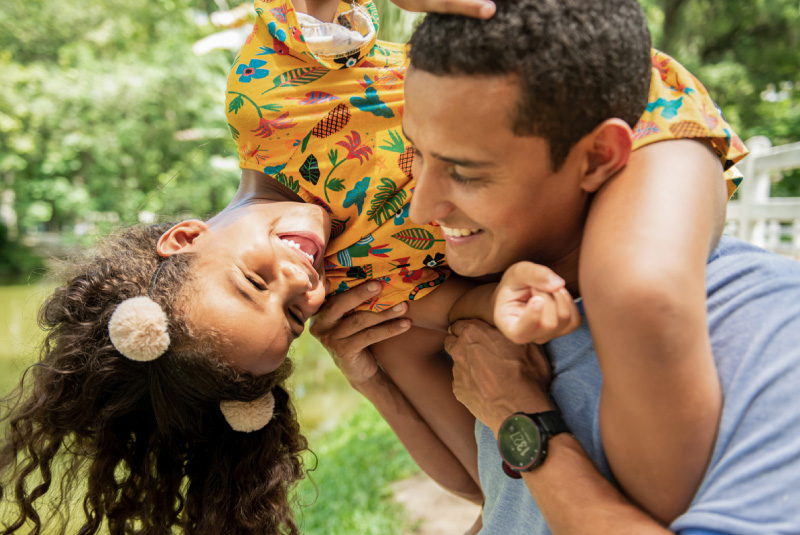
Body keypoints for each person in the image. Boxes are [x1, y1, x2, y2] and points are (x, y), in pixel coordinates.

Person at [0, 1, 744, 534]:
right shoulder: (356, 288)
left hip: (640, 124)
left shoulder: (273, 104)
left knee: (634, 290)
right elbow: (476, 471)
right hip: (585, 206)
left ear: (185, 237)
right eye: (292, 316)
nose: (300, 283)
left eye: (254, 281)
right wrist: (483, 306)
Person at [393, 0, 799, 532]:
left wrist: (520, 418)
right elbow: (510, 514)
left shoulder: (772, 332)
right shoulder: (504, 334)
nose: (420, 207)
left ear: (599, 157)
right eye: (416, 153)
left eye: (465, 173)